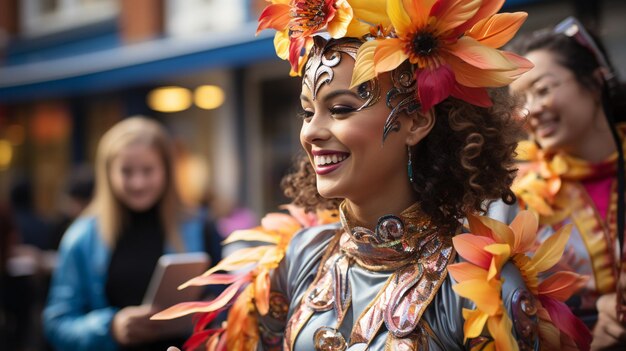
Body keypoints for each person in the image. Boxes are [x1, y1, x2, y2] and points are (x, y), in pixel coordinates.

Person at [155, 1, 590, 350]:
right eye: (308, 112)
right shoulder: (297, 259)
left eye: (341, 109)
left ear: (417, 121)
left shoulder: (481, 284)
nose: (312, 132)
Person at [43, 116, 222, 351]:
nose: (138, 183)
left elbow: (226, 302)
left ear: (166, 170)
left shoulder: (200, 226)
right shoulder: (81, 237)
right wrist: (110, 328)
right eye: (127, 172)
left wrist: (207, 316)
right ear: (108, 173)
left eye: (148, 170)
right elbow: (57, 324)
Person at [508, 17, 626, 350]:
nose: (530, 111)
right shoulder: (515, 201)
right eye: (519, 103)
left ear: (594, 81)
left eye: (543, 89)